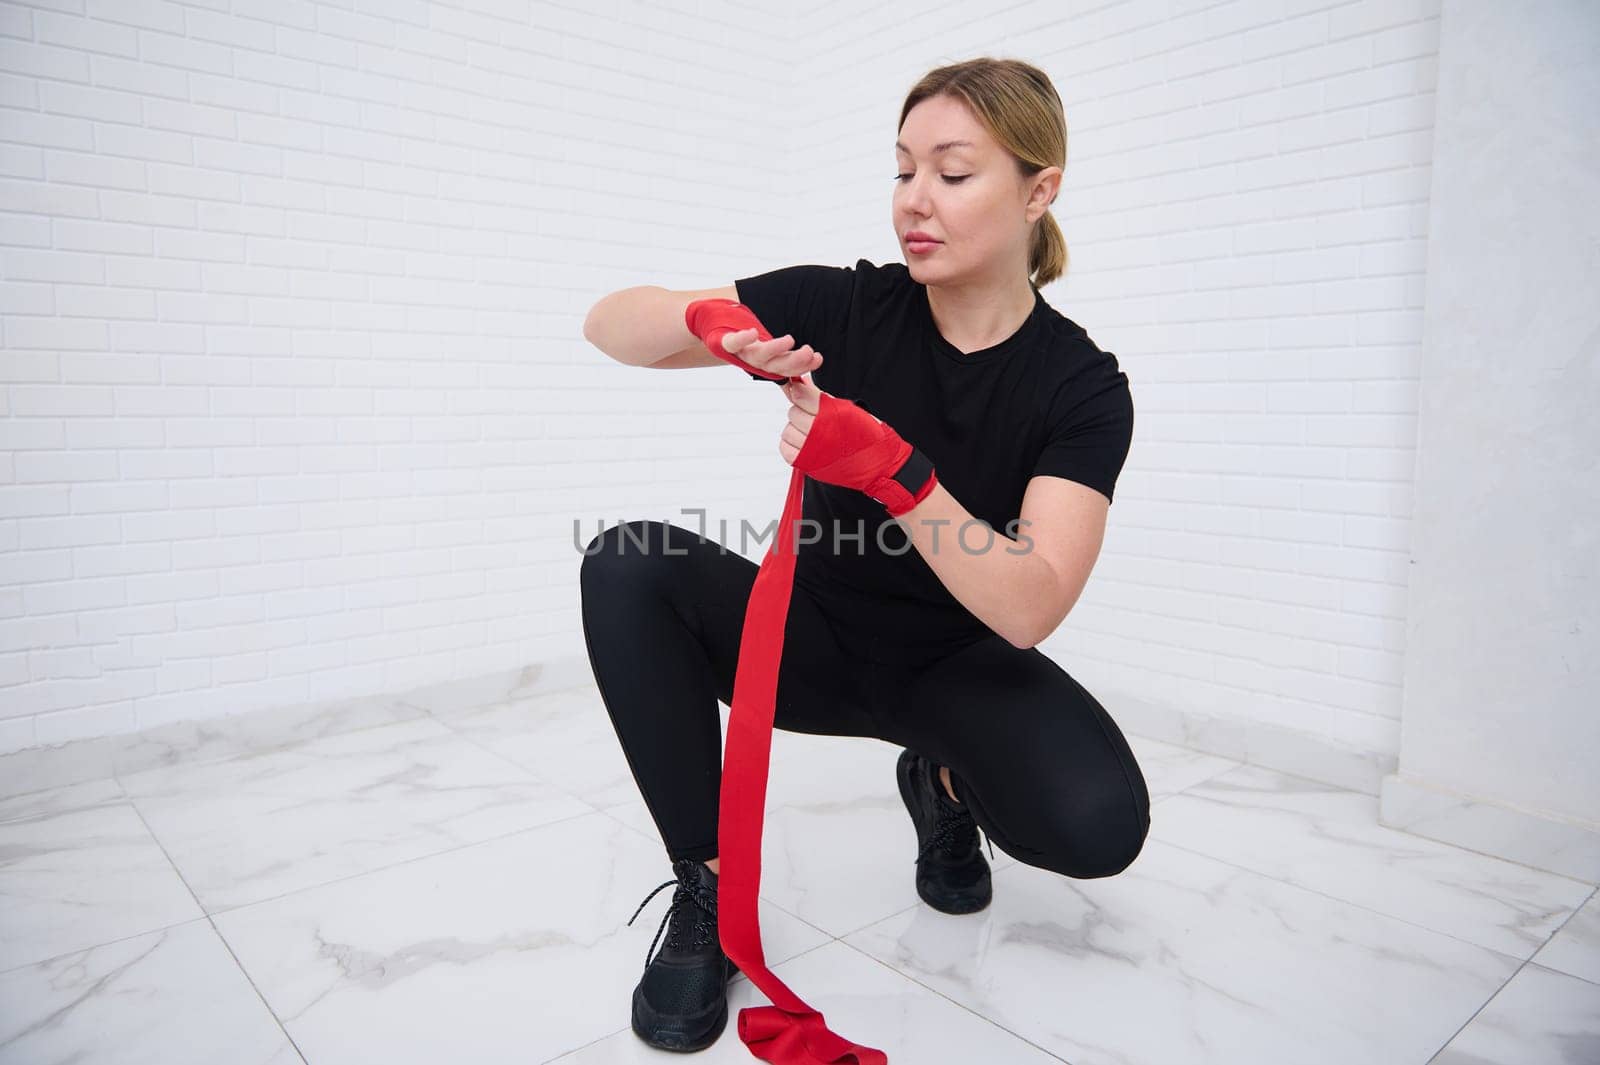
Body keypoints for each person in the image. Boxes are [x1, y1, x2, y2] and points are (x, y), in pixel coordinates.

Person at [579, 56, 1151, 1055]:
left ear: (1038, 190)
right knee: (626, 561)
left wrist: (895, 469)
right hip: (811, 640)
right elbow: (611, 327)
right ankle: (703, 892)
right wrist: (713, 329)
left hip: (955, 667)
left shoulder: (1081, 388)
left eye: (952, 172)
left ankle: (935, 788)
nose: (913, 203)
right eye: (901, 171)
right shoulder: (847, 307)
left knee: (1095, 826)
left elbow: (1030, 606)